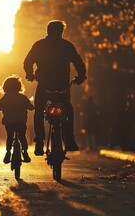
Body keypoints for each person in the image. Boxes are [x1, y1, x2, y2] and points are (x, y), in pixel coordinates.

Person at [24, 20, 87, 156]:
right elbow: (78, 61)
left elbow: (28, 61)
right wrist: (81, 76)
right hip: (62, 85)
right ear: (61, 31)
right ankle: (69, 139)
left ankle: (40, 141)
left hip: (44, 85)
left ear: (48, 30)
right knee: (68, 110)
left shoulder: (39, 45)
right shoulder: (66, 46)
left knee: (39, 111)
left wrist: (29, 74)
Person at [0, 75, 35, 164]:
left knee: (10, 137)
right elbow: (31, 107)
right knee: (22, 136)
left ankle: (8, 153)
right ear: (19, 86)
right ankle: (25, 152)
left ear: (5, 87)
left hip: (9, 122)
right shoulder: (22, 98)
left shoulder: (5, 98)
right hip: (21, 122)